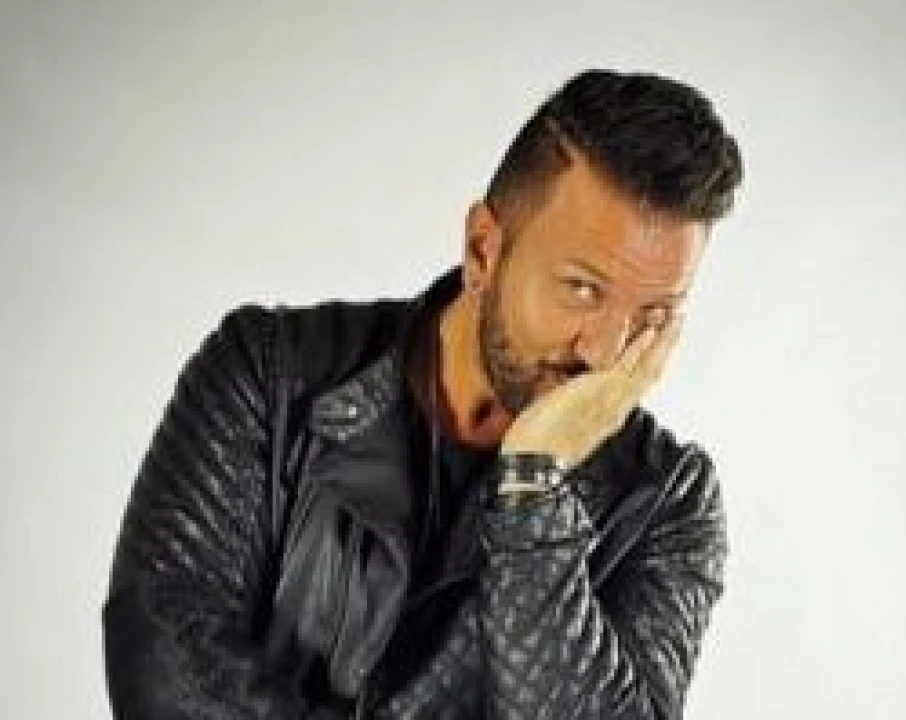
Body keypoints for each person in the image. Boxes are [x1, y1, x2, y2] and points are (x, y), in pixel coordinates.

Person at [103, 68, 744, 719]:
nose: (606, 353)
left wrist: (533, 491)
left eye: (654, 315)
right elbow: (163, 672)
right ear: (483, 250)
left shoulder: (666, 504)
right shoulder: (267, 373)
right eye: (581, 289)